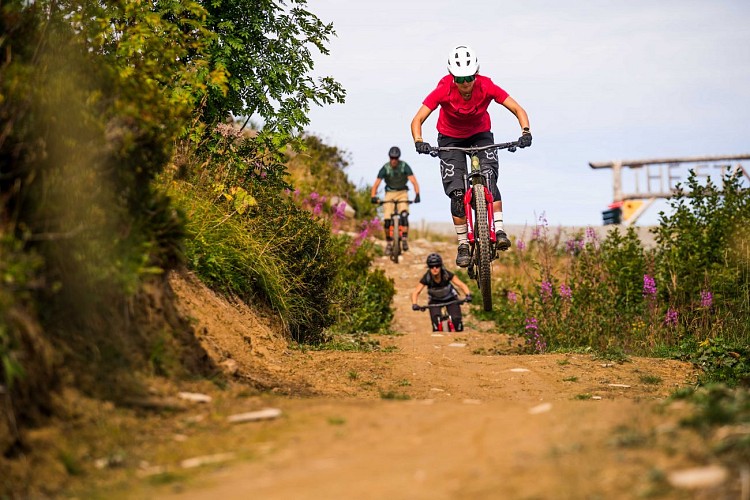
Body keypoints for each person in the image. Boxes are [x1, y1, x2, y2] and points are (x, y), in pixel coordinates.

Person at [410, 45, 532, 268]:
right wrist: (419, 141)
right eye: (460, 78)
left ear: (476, 74)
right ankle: (463, 244)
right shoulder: (442, 90)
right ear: (452, 77)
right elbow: (417, 120)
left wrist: (525, 131)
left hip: (480, 134)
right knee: (457, 193)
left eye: (469, 77)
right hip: (450, 139)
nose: (465, 83)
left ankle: (500, 230)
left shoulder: (486, 86)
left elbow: (517, 109)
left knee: (489, 177)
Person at [371, 146, 420, 254]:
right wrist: (373, 196)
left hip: (402, 193)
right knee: (387, 220)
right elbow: (376, 184)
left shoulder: (404, 166)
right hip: (389, 193)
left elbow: (414, 181)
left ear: (398, 158)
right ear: (389, 157)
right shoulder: (385, 168)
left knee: (404, 215)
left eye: (396, 158)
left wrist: (417, 194)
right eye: (392, 158)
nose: (394, 160)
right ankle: (389, 243)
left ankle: (404, 239)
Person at [411, 253, 472, 332]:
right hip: (435, 301)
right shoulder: (427, 277)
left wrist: (468, 295)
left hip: (451, 299)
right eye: (431, 266)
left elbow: (461, 284)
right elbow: (416, 292)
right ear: (429, 267)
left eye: (437, 266)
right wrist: (414, 304)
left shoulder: (446, 274)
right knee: (436, 324)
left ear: (441, 266)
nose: (435, 268)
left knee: (456, 320)